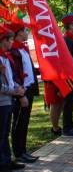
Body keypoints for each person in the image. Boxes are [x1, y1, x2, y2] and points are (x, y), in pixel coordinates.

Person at [8, 23, 39, 163]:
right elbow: (14, 74)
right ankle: (18, 152)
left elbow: (28, 68)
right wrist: (20, 95)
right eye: (25, 30)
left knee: (25, 121)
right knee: (19, 122)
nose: (27, 32)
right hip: (21, 91)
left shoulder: (23, 49)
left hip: (29, 88)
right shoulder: (14, 50)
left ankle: (23, 150)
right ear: (19, 33)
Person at [0, 25, 26, 172]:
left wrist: (18, 86)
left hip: (8, 101)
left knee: (5, 133)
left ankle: (7, 161)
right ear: (3, 41)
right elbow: (1, 87)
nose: (11, 43)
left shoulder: (5, 57)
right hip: (2, 101)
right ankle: (2, 165)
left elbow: (9, 80)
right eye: (10, 40)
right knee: (1, 135)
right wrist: (15, 92)